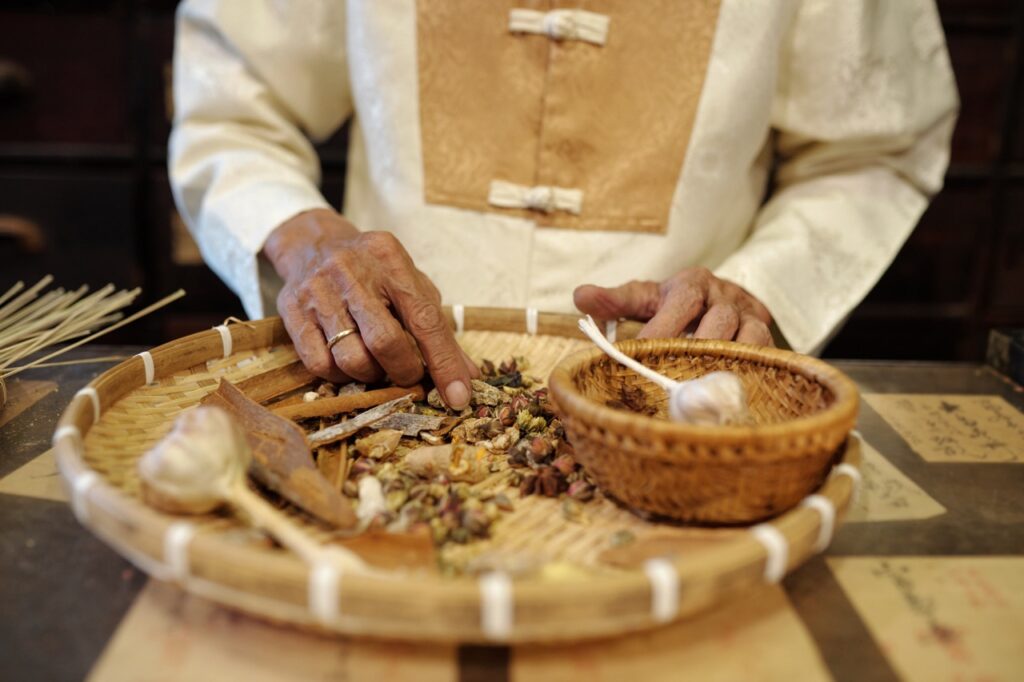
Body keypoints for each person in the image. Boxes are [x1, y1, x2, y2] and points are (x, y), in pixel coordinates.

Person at [169, 0, 958, 410]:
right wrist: (304, 238)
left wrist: (763, 289)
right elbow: (235, 105)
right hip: (381, 391)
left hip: (675, 401)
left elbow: (873, 146)